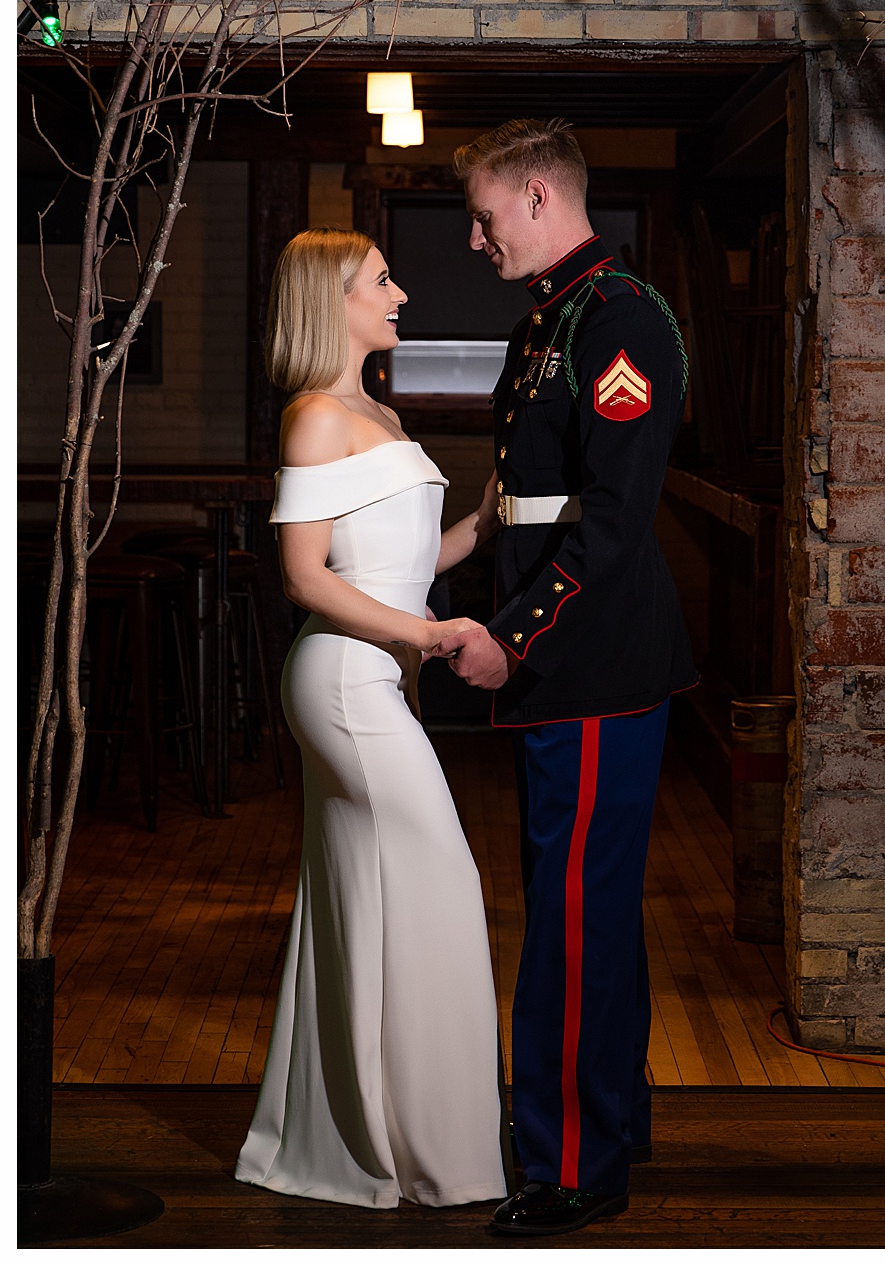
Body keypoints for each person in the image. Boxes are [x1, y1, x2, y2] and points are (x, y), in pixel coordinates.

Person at [433, 119, 698, 1237]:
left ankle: (571, 1166)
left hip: (587, 663)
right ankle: (612, 1118)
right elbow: (521, 502)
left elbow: (617, 525)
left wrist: (517, 635)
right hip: (567, 665)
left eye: (487, 216)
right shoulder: (555, 318)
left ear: (539, 197)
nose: (477, 240)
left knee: (573, 920)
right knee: (588, 910)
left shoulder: (619, 319)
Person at [236, 229, 507, 1208]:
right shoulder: (314, 417)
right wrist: (430, 640)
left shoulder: (377, 411)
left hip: (368, 681)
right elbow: (307, 575)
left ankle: (362, 1137)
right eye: (381, 279)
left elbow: (403, 564)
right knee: (441, 880)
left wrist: (485, 521)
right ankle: (445, 1154)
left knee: (362, 903)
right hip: (345, 685)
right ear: (334, 301)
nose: (399, 292)